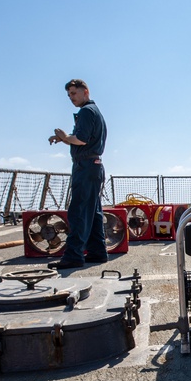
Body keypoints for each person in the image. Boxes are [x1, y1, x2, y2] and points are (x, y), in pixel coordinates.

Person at [48, 78, 108, 269]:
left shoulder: (86, 112)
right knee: (94, 212)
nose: (71, 98)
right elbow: (84, 139)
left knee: (79, 211)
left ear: (85, 91)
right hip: (94, 165)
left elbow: (81, 139)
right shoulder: (94, 111)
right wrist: (64, 140)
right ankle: (97, 252)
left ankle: (73, 255)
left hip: (86, 166)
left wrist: (65, 138)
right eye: (69, 95)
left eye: (74, 93)